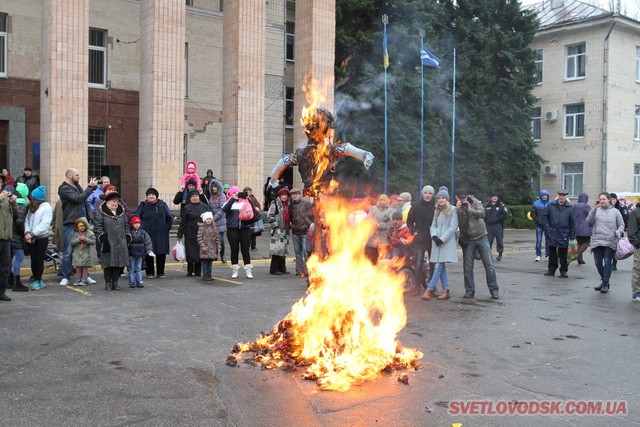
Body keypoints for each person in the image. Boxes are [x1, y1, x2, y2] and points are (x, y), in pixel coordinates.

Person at [456, 189, 500, 299]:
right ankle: (470, 290)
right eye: (461, 198)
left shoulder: (475, 202)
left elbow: (482, 214)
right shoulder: (457, 208)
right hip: (468, 239)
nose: (463, 200)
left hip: (481, 236)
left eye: (464, 198)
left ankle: (494, 290)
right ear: (457, 198)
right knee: (468, 267)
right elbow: (458, 224)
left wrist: (470, 209)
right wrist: (458, 210)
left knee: (489, 265)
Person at [58, 169, 98, 286]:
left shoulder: (77, 186)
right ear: (70, 175)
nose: (79, 177)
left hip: (83, 223)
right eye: (77, 175)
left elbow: (84, 199)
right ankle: (65, 276)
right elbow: (78, 199)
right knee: (68, 251)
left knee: (84, 250)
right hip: (71, 223)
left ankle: (86, 276)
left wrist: (93, 187)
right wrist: (90, 188)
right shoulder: (64, 189)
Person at [422, 187, 458, 301]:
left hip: (445, 243)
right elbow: (433, 225)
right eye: (439, 198)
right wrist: (434, 236)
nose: (441, 200)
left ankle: (429, 289)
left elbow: (453, 227)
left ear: (447, 199)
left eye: (443, 198)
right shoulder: (436, 211)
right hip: (437, 243)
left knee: (438, 267)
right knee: (441, 268)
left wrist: (442, 239)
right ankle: (446, 291)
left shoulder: (452, 209)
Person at [586, 192, 624, 293]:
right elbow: (588, 222)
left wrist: (618, 232)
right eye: (601, 199)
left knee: (607, 262)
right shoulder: (596, 211)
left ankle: (605, 283)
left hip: (610, 240)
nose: (602, 201)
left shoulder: (615, 212)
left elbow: (621, 225)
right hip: (598, 240)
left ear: (609, 200)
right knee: (598, 263)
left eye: (604, 199)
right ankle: (604, 281)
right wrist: (593, 210)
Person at [93, 191, 130, 290]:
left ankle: (116, 282)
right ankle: (108, 283)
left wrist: (127, 235)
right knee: (108, 263)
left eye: (117, 201)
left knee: (118, 263)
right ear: (108, 202)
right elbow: (98, 226)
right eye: (114, 201)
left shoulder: (121, 212)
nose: (116, 203)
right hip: (108, 241)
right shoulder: (100, 211)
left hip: (120, 241)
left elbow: (126, 224)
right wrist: (102, 238)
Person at [134, 187, 173, 279]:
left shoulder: (162, 204)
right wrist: (140, 229)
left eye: (153, 195)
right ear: (147, 196)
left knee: (161, 252)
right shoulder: (143, 205)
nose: (151, 196)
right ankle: (150, 272)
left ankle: (161, 272)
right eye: (149, 195)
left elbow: (169, 217)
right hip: (147, 232)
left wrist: (167, 228)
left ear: (156, 196)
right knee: (148, 252)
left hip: (161, 232)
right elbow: (137, 217)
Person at [406, 185, 436, 291]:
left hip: (432, 238)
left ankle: (432, 286)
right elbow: (409, 221)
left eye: (430, 193)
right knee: (418, 263)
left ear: (432, 195)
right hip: (419, 238)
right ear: (422, 194)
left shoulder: (435, 207)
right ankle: (417, 286)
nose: (427, 195)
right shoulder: (416, 206)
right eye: (426, 193)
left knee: (433, 264)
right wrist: (414, 231)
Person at [542, 189, 576, 279]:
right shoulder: (551, 205)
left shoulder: (570, 207)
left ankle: (564, 270)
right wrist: (548, 229)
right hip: (552, 232)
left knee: (563, 254)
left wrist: (572, 236)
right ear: (558, 195)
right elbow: (545, 218)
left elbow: (573, 222)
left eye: (563, 196)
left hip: (564, 233)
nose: (562, 197)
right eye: (560, 195)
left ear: (566, 197)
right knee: (552, 252)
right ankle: (551, 269)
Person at [222, 186, 254, 279]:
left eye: (238, 193)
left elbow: (253, 209)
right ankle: (235, 270)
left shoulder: (245, 201)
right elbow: (224, 209)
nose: (237, 194)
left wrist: (248, 199)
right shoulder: (228, 202)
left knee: (245, 250)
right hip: (232, 229)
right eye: (234, 193)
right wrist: (233, 199)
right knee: (234, 250)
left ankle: (248, 270)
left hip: (245, 228)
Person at [177, 190, 210, 277]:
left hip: (202, 233)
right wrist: (179, 234)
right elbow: (183, 222)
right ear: (190, 198)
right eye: (193, 196)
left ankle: (198, 271)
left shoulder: (205, 207)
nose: (195, 198)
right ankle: (190, 270)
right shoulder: (187, 208)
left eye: (196, 196)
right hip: (190, 233)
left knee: (200, 251)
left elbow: (209, 220)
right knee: (190, 251)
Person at [24, 186, 51, 291]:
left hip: (41, 238)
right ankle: (36, 278)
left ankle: (38, 280)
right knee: (33, 259)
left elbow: (44, 224)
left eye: (32, 196)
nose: (31, 198)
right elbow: (27, 220)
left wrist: (32, 234)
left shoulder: (46, 207)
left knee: (39, 259)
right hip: (30, 237)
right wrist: (27, 232)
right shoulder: (32, 207)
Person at [9, 183, 29, 292]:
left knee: (9, 257)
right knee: (19, 257)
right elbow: (20, 221)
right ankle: (17, 282)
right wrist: (24, 233)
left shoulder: (11, 202)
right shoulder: (22, 205)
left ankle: (9, 280)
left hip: (9, 234)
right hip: (16, 236)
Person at [288, 188, 313, 277]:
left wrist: (310, 225)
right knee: (297, 252)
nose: (294, 196)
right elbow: (290, 217)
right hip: (295, 231)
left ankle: (307, 270)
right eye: (293, 194)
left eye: (296, 194)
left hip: (305, 231)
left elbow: (311, 215)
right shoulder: (290, 205)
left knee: (305, 251)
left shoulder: (306, 204)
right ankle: (299, 270)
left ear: (299, 194)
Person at [0, 185, 18, 301]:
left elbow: (16, 213)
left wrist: (13, 202)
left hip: (6, 238)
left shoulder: (6, 199)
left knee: (5, 267)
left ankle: (1, 291)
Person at [267, 187, 291, 275]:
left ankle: (282, 268)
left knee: (283, 250)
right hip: (277, 230)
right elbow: (269, 215)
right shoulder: (275, 203)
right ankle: (274, 269)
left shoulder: (288, 204)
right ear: (279, 195)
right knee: (276, 250)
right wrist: (275, 226)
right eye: (282, 195)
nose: (284, 197)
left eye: (286, 195)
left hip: (285, 229)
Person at [364, 194, 393, 264]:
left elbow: (390, 223)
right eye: (381, 200)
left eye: (385, 200)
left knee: (383, 256)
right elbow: (368, 219)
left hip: (384, 236)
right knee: (372, 255)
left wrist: (379, 225)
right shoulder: (373, 209)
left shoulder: (390, 210)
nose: (383, 202)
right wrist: (372, 224)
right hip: (373, 235)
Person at [127, 215, 154, 288]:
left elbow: (148, 242)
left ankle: (139, 281)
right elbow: (126, 244)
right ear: (131, 223)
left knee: (138, 268)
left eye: (138, 223)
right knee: (131, 268)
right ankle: (131, 282)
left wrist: (149, 250)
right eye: (135, 223)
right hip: (131, 254)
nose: (137, 225)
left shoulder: (143, 233)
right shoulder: (129, 232)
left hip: (140, 253)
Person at [70, 217, 96, 286]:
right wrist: (78, 239)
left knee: (85, 268)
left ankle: (84, 279)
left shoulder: (89, 233)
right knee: (78, 267)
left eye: (83, 226)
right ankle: (78, 279)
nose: (82, 227)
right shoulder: (76, 234)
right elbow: (72, 242)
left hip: (85, 253)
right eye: (80, 226)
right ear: (78, 227)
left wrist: (85, 239)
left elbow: (93, 242)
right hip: (77, 254)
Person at [197, 211, 221, 281]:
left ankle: (209, 275)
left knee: (210, 263)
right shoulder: (202, 228)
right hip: (205, 249)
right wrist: (203, 246)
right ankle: (205, 275)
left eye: (210, 219)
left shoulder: (214, 228)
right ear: (204, 220)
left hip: (212, 249)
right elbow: (199, 238)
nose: (209, 220)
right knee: (205, 262)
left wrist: (218, 246)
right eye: (207, 219)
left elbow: (217, 238)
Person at [484, 193, 509, 261]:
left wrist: (498, 218)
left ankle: (500, 254)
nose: (495, 198)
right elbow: (483, 214)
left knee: (499, 240)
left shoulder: (501, 205)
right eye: (493, 196)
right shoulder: (487, 205)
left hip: (498, 225)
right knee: (488, 241)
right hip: (489, 226)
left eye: (496, 197)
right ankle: (488, 255)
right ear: (491, 198)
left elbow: (505, 215)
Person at [208, 178, 228, 264]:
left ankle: (222, 254)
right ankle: (215, 255)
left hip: (220, 220)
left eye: (215, 187)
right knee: (214, 239)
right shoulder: (211, 196)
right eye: (212, 187)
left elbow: (222, 209)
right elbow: (210, 207)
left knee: (220, 239)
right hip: (212, 220)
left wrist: (214, 218)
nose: (214, 188)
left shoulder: (222, 196)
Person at [610, 192, 630, 272]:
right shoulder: (607, 207)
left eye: (614, 199)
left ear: (616, 199)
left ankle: (614, 263)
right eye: (611, 199)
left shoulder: (621, 207)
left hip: (618, 230)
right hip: (609, 231)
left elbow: (626, 218)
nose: (613, 201)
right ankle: (608, 262)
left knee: (616, 248)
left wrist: (623, 228)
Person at [530, 189, 551, 262]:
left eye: (545, 195)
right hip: (539, 225)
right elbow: (532, 213)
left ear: (547, 196)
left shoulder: (551, 204)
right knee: (538, 240)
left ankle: (548, 255)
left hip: (548, 225)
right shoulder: (536, 204)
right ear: (540, 196)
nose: (544, 197)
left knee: (548, 240)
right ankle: (538, 255)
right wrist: (537, 220)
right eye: (543, 195)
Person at [574, 192, 592, 265]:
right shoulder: (586, 206)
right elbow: (590, 216)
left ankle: (580, 259)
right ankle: (577, 254)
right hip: (585, 227)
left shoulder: (574, 205)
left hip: (576, 227)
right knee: (586, 243)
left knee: (579, 243)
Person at [627, 203, 640, 302]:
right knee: (638, 269)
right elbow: (631, 230)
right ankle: (636, 293)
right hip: (639, 246)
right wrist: (637, 243)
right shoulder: (636, 212)